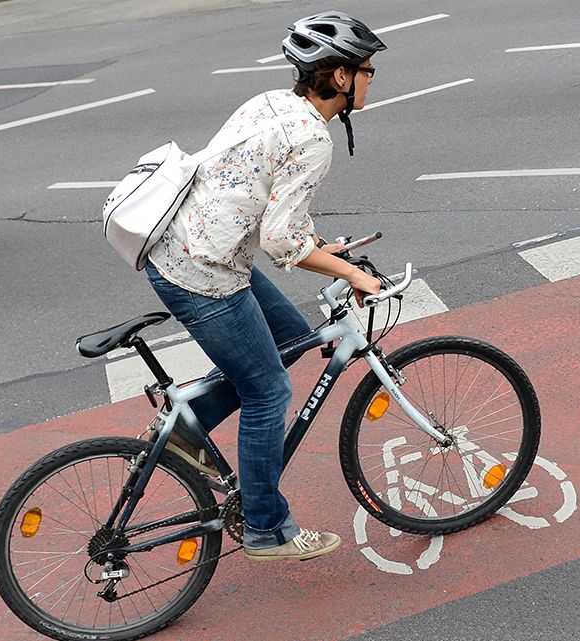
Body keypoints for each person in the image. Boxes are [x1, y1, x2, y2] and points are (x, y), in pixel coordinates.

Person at [144, 11, 385, 562]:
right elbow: (281, 243)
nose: (373, 79)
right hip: (202, 274)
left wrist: (320, 245)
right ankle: (266, 529)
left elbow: (247, 191)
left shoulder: (271, 101)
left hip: (193, 248)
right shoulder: (314, 139)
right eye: (368, 69)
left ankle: (187, 433)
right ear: (342, 77)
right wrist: (349, 273)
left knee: (292, 335)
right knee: (268, 391)